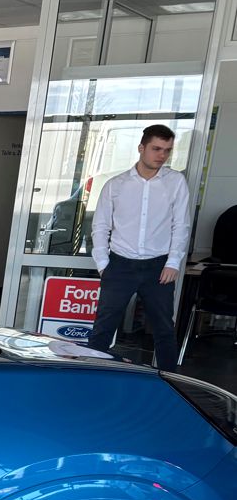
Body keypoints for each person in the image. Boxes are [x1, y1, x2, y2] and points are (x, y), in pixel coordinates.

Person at [88, 124, 190, 372]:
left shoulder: (176, 182)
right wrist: (103, 264)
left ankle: (170, 381)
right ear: (141, 148)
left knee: (164, 328)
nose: (162, 155)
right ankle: (91, 376)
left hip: (159, 267)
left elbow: (181, 224)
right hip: (120, 264)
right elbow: (100, 226)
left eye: (167, 150)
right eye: (156, 149)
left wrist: (173, 262)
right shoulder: (116, 184)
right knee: (103, 327)